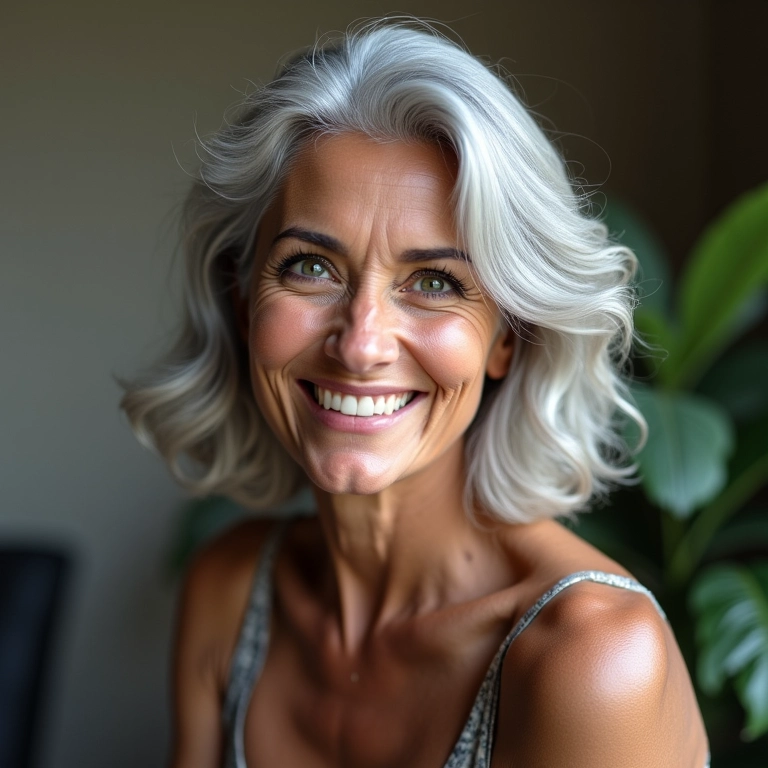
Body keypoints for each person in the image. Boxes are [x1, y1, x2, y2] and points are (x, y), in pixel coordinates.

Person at [121, 20, 709, 768]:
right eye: (310, 267)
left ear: (508, 337)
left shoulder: (590, 658)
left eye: (434, 283)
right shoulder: (230, 593)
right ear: (243, 303)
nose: (360, 344)